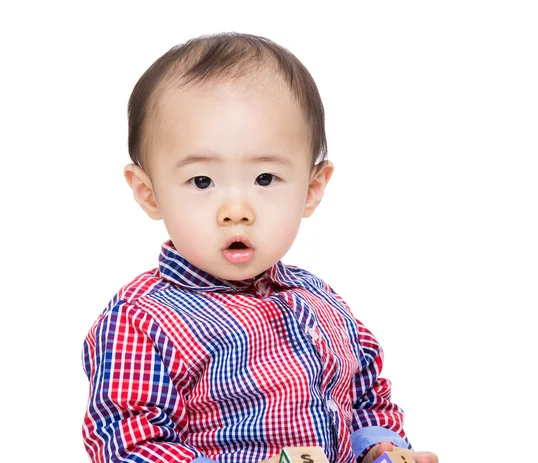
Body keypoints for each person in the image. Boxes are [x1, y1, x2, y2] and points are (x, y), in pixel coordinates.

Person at [81, 32, 438, 463]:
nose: (236, 210)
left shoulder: (321, 301)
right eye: (202, 181)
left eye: (265, 179)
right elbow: (129, 444)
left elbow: (365, 399)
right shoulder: (141, 322)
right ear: (149, 193)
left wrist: (380, 448)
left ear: (311, 189)